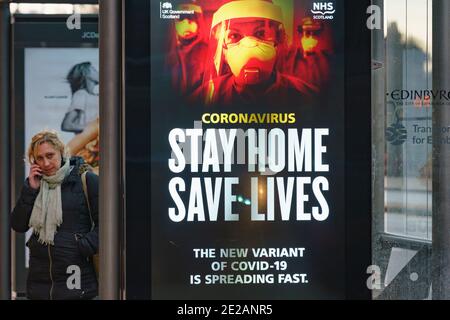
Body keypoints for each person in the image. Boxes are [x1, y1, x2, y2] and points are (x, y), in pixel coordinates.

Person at [11, 130, 98, 300]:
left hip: (75, 275)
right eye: (40, 158)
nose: (46, 163)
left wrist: (81, 247)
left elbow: (108, 226)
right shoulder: (34, 185)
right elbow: (18, 225)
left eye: (50, 155)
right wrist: (31, 190)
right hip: (39, 280)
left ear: (61, 151)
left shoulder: (85, 180)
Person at [192, 0, 318, 108]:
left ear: (278, 40)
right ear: (223, 48)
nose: (249, 45)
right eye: (234, 35)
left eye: (261, 34)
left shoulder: (306, 96)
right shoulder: (206, 96)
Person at [165, 1, 208, 96]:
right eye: (181, 19)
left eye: (192, 19)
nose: (186, 23)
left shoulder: (207, 51)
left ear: (199, 23)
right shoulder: (168, 51)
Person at [283, 16, 332, 90]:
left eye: (315, 35)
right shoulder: (289, 57)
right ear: (301, 35)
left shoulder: (325, 60)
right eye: (307, 34)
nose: (311, 39)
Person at [61, 62, 99, 134]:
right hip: (88, 144)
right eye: (94, 69)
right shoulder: (81, 94)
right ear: (86, 74)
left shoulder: (96, 97)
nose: (98, 72)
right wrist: (95, 128)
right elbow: (66, 125)